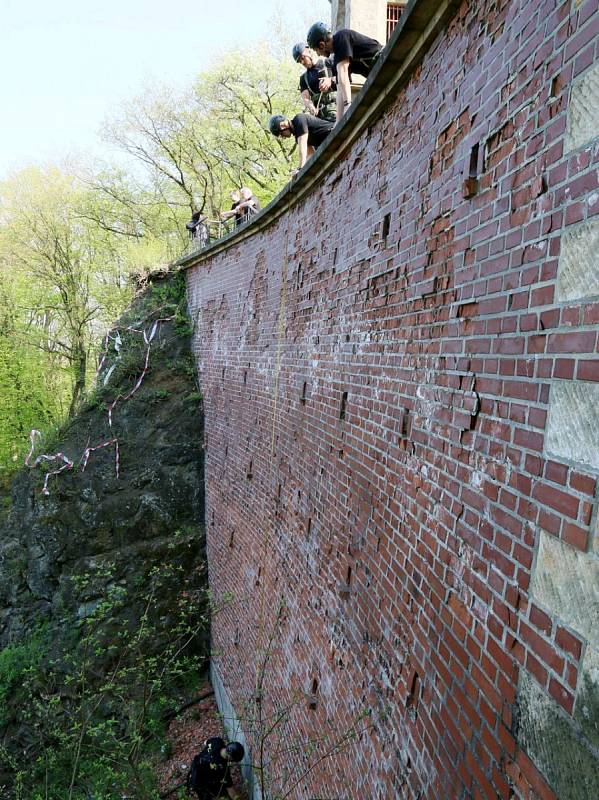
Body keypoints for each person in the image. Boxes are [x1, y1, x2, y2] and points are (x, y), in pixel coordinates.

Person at [306, 22, 383, 119]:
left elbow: (343, 72)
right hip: (376, 72)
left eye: (316, 50)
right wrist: (338, 122)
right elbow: (340, 89)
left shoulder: (341, 37)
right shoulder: (338, 58)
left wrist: (348, 105)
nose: (317, 54)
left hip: (383, 59)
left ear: (322, 45)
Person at [268, 113, 334, 176]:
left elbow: (303, 149)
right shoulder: (297, 137)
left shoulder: (299, 120)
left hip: (332, 132)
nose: (283, 137)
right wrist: (300, 172)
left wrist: (300, 169)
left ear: (282, 126)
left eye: (281, 134)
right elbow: (310, 155)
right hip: (328, 143)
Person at [292, 42, 337, 122]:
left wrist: (330, 80)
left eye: (302, 58)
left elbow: (345, 76)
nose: (302, 62)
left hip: (338, 109)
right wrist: (311, 106)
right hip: (321, 118)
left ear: (308, 51)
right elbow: (305, 98)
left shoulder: (328, 63)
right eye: (299, 61)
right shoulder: (304, 79)